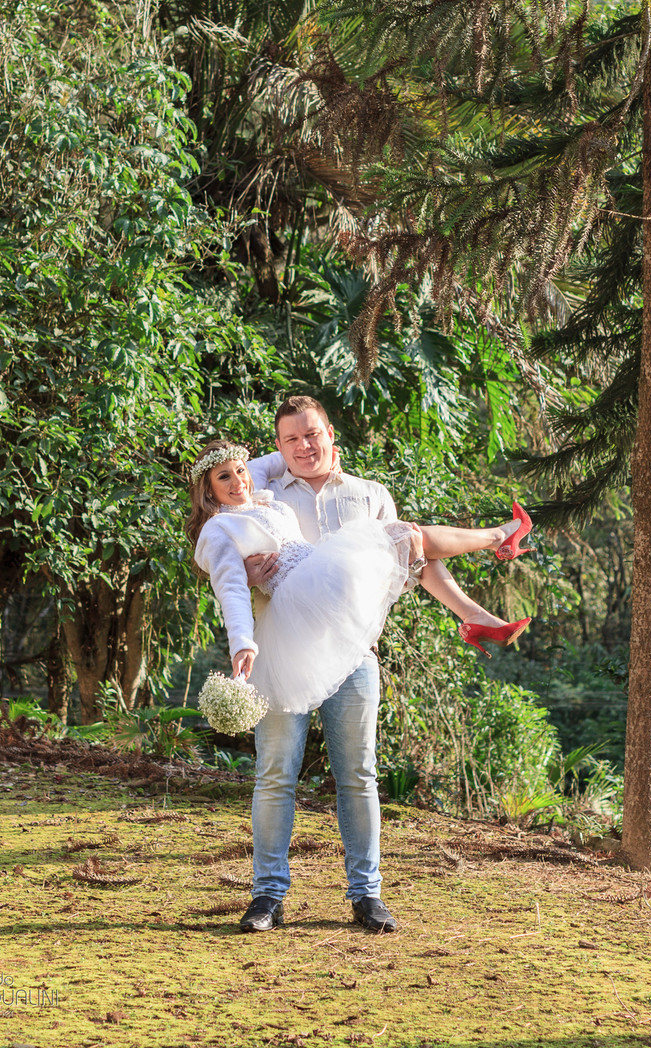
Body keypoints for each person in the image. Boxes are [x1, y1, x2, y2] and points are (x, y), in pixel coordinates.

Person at [186, 397, 533, 934]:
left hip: (353, 655)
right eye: (289, 440)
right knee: (276, 775)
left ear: (332, 436)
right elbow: (224, 505)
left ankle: (366, 895)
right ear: (275, 449)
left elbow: (411, 565)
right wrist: (245, 616)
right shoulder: (261, 491)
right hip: (282, 653)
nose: (303, 446)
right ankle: (266, 897)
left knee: (359, 776)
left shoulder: (369, 495)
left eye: (312, 435)